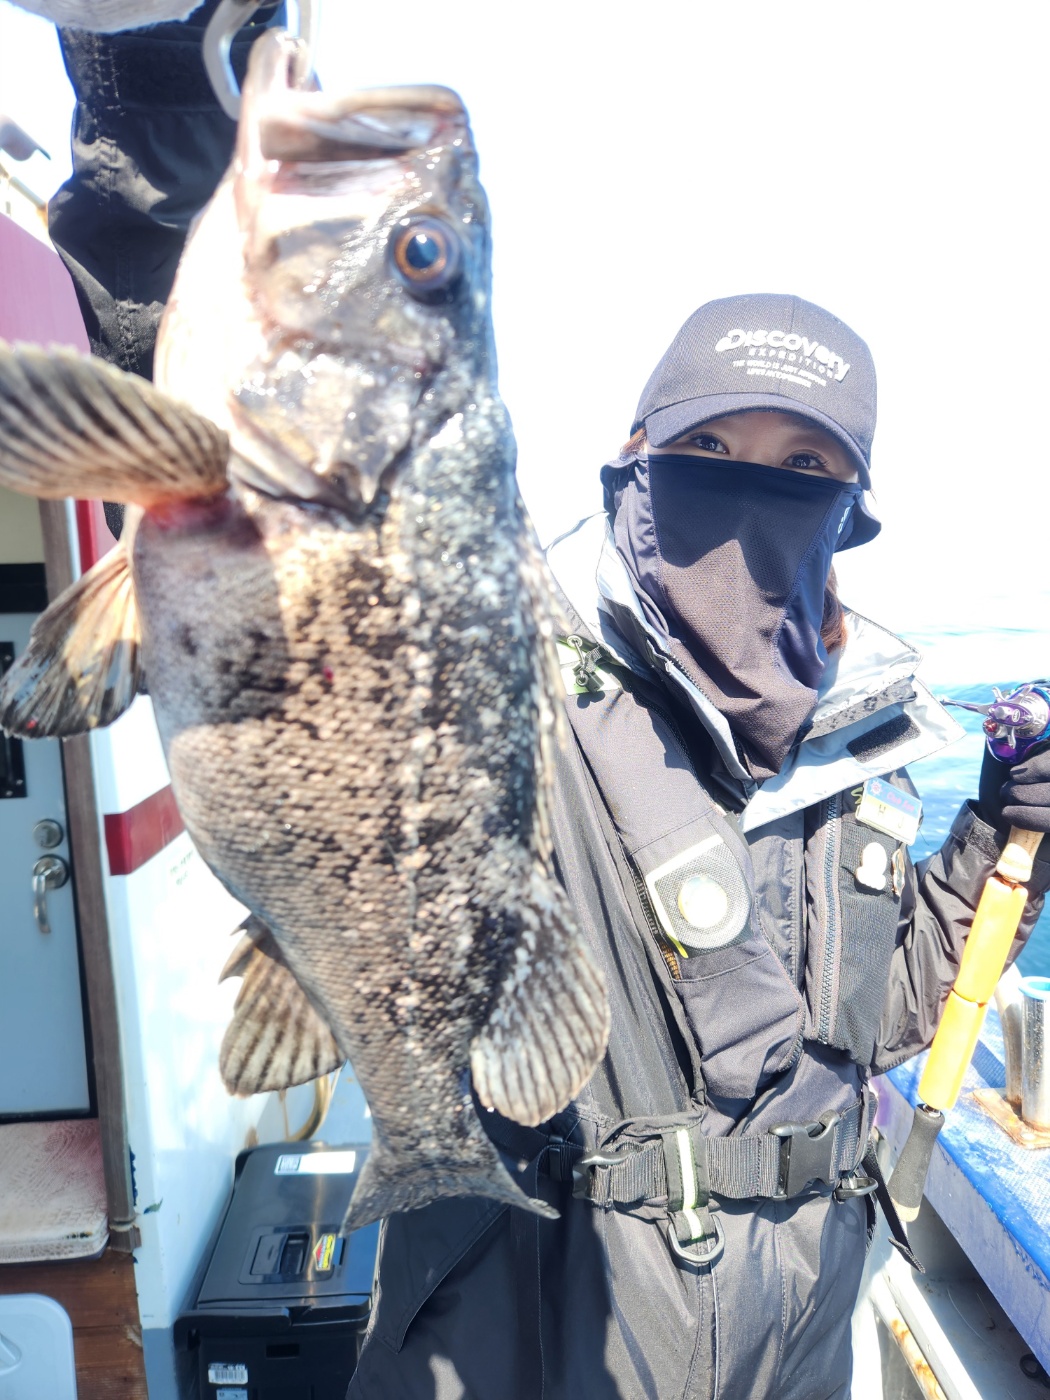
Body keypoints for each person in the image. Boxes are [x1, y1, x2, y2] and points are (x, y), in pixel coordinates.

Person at [345, 293, 1050, 1400]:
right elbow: (300, 549)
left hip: (802, 1329)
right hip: (542, 1323)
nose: (749, 486)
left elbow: (881, 1012)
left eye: (804, 464)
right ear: (633, 461)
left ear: (848, 513)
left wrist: (1003, 830)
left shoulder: (863, 724)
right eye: (709, 446)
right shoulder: (505, 674)